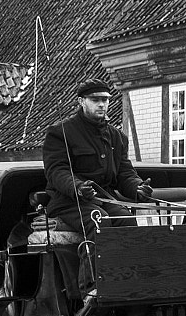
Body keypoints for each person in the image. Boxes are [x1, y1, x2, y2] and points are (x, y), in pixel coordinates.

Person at [42, 79, 152, 236]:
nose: (101, 104)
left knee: (127, 221)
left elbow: (124, 172)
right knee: (99, 220)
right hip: (70, 201)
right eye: (95, 100)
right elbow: (57, 171)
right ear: (82, 101)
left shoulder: (117, 137)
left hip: (104, 199)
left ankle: (127, 260)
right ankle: (91, 261)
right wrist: (78, 187)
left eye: (105, 99)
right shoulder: (60, 132)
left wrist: (138, 188)